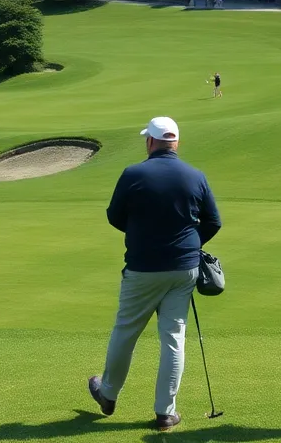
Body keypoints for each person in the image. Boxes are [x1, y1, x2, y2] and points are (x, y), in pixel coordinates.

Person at [89, 117, 222, 433]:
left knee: (126, 330)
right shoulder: (195, 176)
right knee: (173, 336)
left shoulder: (133, 174)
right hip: (183, 269)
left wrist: (143, 234)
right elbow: (213, 221)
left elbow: (114, 216)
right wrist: (187, 244)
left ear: (150, 142)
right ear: (175, 143)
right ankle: (165, 412)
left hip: (142, 267)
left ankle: (107, 394)